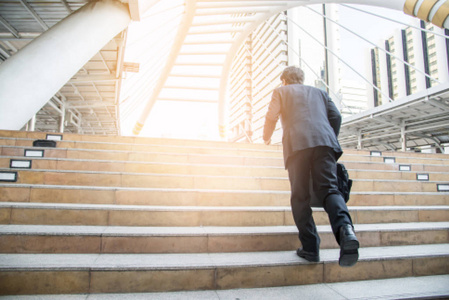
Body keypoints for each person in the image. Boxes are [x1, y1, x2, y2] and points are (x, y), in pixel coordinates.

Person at [263, 66, 359, 267]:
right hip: (325, 144)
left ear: (284, 81)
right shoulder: (320, 93)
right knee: (330, 190)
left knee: (300, 196)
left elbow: (271, 116)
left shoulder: (281, 91)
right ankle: (346, 230)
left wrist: (266, 137)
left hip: (297, 145)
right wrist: (327, 135)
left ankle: (311, 248)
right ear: (301, 78)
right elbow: (337, 117)